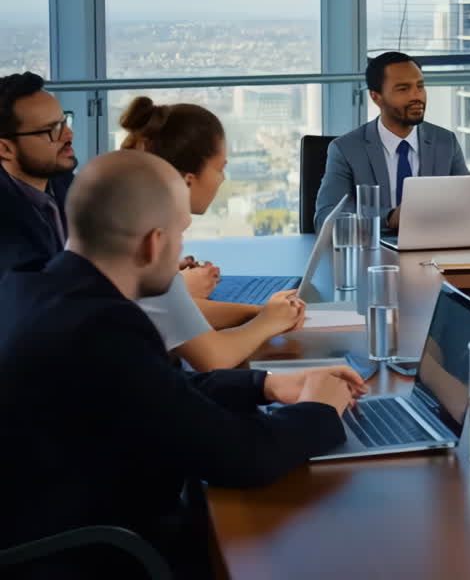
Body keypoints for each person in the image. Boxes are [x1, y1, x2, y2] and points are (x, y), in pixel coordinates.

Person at [0, 150, 364, 578]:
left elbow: (155, 390)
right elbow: (240, 456)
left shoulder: (34, 288)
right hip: (98, 555)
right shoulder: (103, 327)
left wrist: (265, 385)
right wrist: (319, 410)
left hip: (60, 519)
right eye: (180, 235)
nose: (182, 250)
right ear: (154, 243)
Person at [119, 96, 307, 370]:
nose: (222, 179)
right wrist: (266, 323)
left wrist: (260, 314)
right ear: (187, 180)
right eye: (220, 168)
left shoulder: (130, 227)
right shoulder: (152, 249)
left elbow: (179, 312)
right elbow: (214, 358)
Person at [313, 51, 470, 232]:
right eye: (403, 89)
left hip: (434, 246)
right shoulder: (346, 150)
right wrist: (388, 218)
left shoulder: (446, 142)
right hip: (374, 248)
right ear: (376, 96)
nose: (416, 96)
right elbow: (325, 219)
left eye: (420, 86)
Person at [0, 72, 76, 276]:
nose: (69, 135)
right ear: (5, 149)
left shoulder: (65, 180)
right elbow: (38, 283)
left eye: (65, 122)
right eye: (52, 130)